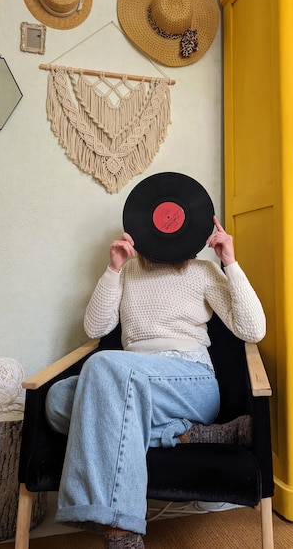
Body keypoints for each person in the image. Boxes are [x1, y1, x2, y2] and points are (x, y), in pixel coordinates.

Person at [45, 216, 266, 549]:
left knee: (103, 367)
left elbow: (253, 330)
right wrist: (114, 269)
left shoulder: (202, 271)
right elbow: (95, 329)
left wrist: (230, 263)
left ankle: (121, 531)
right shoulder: (130, 271)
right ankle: (188, 435)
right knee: (59, 399)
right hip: (133, 382)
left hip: (189, 380)